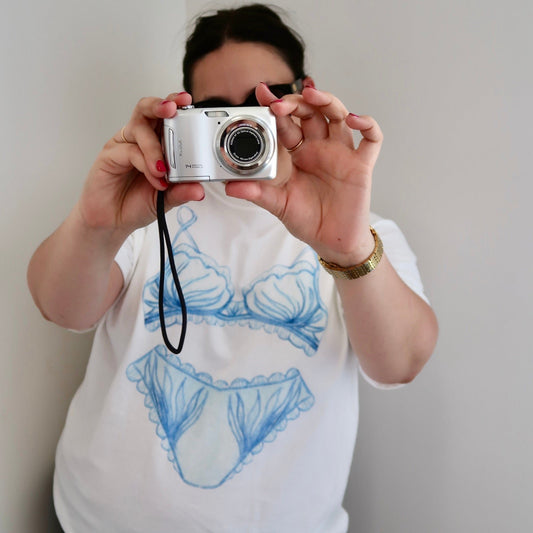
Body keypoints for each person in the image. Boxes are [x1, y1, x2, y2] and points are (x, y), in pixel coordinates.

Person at [28, 3, 438, 532]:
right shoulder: (151, 205)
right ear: (187, 115)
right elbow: (60, 308)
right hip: (92, 519)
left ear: (304, 95)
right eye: (217, 110)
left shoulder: (362, 232)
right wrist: (95, 223)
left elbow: (401, 364)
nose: (242, 124)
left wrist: (350, 249)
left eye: (263, 102)